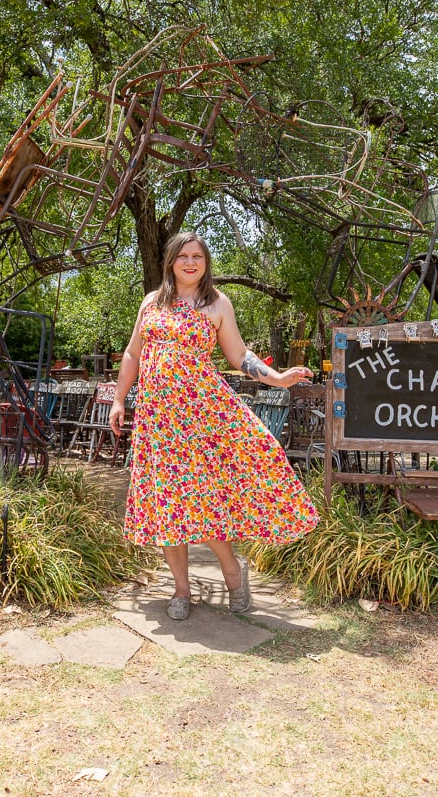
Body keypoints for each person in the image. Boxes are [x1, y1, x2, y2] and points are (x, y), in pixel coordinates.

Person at [110, 232, 320, 620]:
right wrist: (120, 399)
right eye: (183, 256)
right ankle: (181, 591)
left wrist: (275, 378)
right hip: (158, 422)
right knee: (167, 505)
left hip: (202, 420)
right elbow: (132, 353)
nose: (190, 263)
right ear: (171, 261)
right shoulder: (151, 303)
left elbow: (240, 355)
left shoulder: (217, 303)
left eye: (198, 257)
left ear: (205, 263)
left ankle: (233, 573)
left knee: (204, 502)